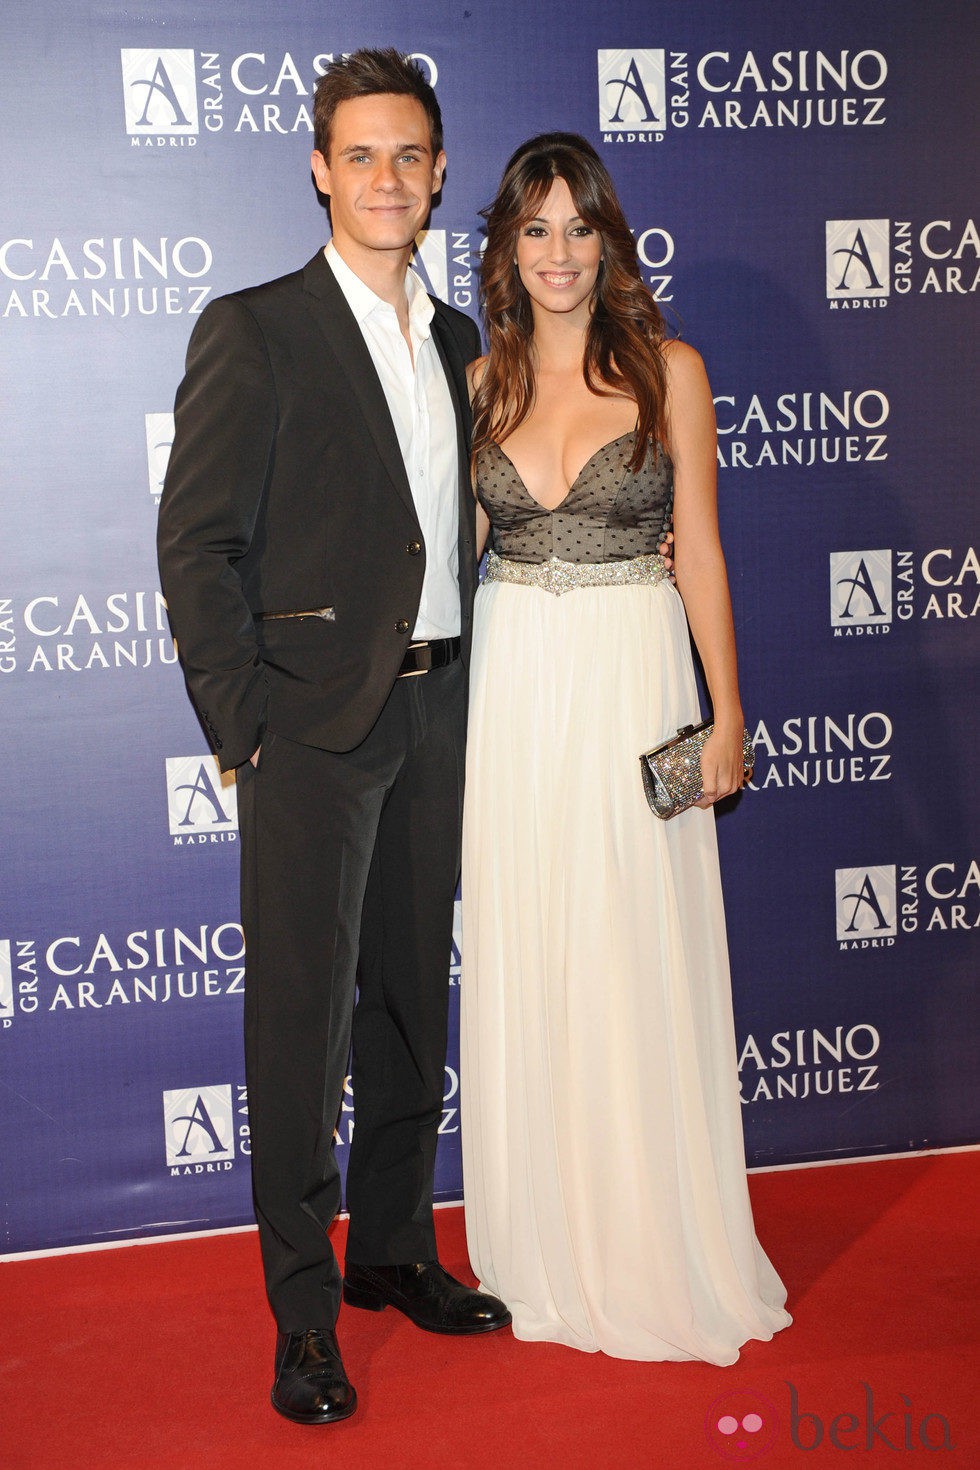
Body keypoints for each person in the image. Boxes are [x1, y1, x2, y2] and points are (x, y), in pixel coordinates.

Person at [157, 49, 512, 1427]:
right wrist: (244, 724)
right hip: (309, 725)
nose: (385, 178)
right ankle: (305, 1315)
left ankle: (396, 1253)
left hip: (437, 705)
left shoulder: (459, 342)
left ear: (436, 175)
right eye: (359, 155)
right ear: (319, 168)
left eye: (408, 156)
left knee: (411, 999)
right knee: (302, 1027)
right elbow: (196, 545)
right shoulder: (256, 329)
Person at [460, 133, 792, 1363]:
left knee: (627, 939)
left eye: (576, 227)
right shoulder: (479, 384)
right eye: (533, 229)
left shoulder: (670, 372)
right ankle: (540, 1238)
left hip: (629, 676)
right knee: (530, 936)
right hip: (510, 686)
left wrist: (728, 714)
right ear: (507, 246)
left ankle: (651, 1236)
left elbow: (696, 549)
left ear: (609, 240)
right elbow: (445, 560)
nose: (556, 253)